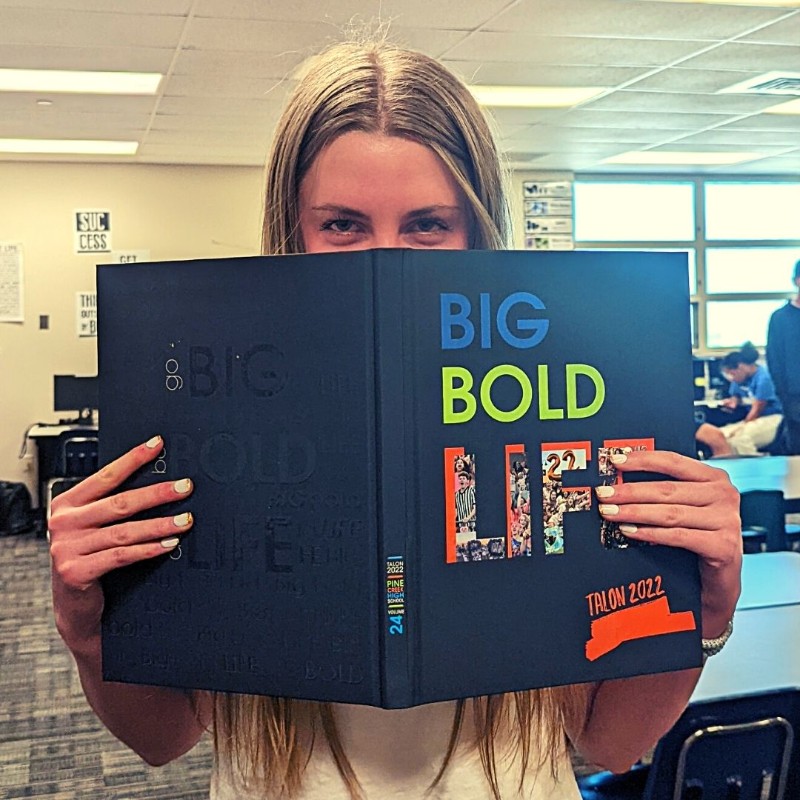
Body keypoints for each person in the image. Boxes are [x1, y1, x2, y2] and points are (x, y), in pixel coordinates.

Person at [47, 38, 742, 800]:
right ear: (292, 230)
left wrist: (703, 609)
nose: (385, 260)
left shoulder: (558, 413)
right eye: (342, 224)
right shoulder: (217, 418)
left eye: (427, 224)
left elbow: (614, 738)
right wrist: (88, 630)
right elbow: (164, 738)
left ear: (478, 230)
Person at [695, 342, 782, 457]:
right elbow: (736, 396)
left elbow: (757, 409)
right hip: (753, 418)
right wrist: (733, 401)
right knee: (722, 435)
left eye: (731, 374)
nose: (731, 378)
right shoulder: (739, 380)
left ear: (741, 367)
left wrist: (740, 427)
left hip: (773, 418)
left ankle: (754, 468)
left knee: (740, 439)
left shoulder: (763, 378)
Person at [767, 259, 800, 455]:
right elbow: (774, 361)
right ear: (797, 280)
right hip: (795, 398)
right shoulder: (780, 318)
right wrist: (785, 398)